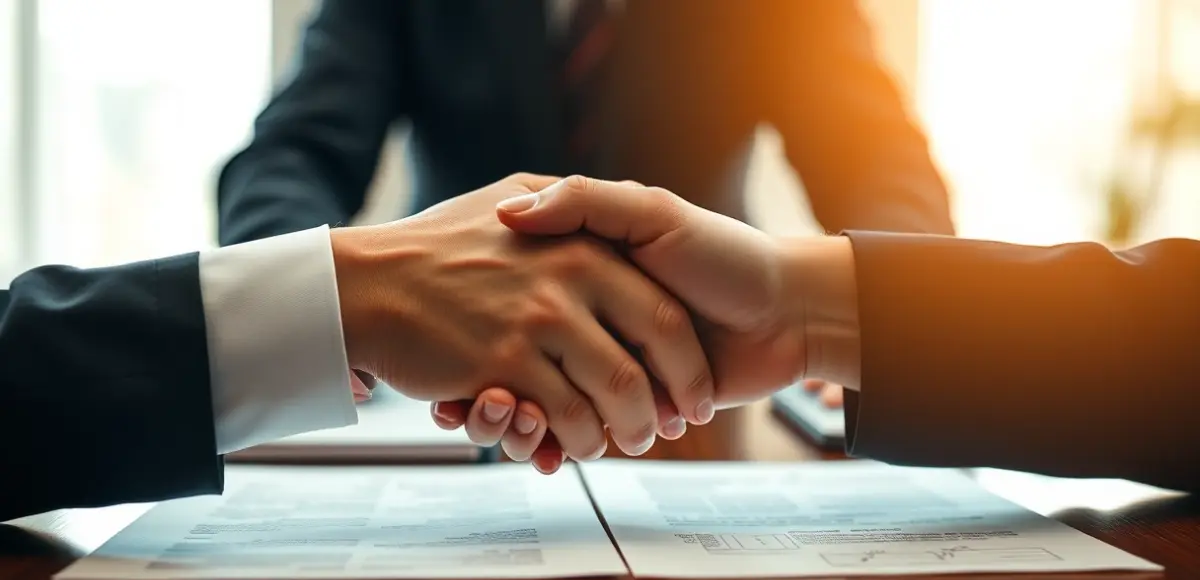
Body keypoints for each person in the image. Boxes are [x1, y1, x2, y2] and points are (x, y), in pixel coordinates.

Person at [216, 0, 956, 415]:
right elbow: (293, 152)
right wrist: (317, 323)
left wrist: (868, 324)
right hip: (460, 372)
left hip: (708, 378)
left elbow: (880, 158)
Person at [0, 174, 718, 522]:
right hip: (459, 349)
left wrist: (827, 333)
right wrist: (340, 297)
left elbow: (832, 124)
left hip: (689, 368)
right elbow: (290, 151)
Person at [440, 176, 1200, 491]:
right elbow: (317, 141)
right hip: (473, 342)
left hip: (700, 358)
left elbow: (876, 151)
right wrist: (340, 334)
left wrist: (845, 325)